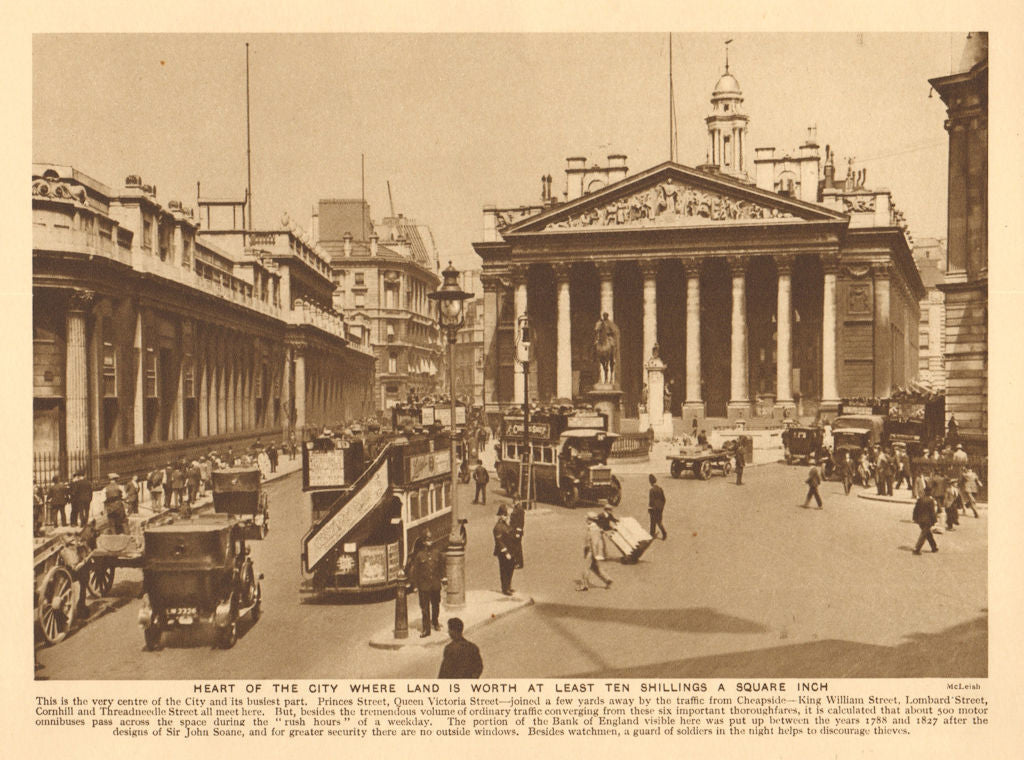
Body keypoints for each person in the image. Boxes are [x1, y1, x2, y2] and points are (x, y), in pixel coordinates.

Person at [405, 530, 444, 637]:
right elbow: (415, 572)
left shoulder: (437, 553)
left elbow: (441, 567)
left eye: (430, 540)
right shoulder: (419, 556)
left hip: (435, 584)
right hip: (424, 586)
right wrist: (415, 586)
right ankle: (426, 629)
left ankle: (435, 622)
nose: (429, 542)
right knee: (424, 608)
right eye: (427, 540)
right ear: (423, 542)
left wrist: (444, 578)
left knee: (435, 605)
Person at [578, 512, 613, 591]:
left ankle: (584, 585)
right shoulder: (591, 527)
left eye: (587, 518)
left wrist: (594, 555)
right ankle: (607, 580)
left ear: (590, 520)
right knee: (595, 568)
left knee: (585, 568)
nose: (586, 520)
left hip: (591, 552)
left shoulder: (593, 529)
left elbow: (594, 543)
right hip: (590, 551)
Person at [492, 504, 516, 595]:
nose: (507, 517)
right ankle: (505, 588)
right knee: (504, 570)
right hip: (503, 553)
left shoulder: (507, 524)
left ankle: (509, 586)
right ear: (501, 516)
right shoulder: (498, 527)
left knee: (510, 569)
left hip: (510, 551)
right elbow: (499, 541)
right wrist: (506, 552)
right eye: (505, 515)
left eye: (507, 515)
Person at [912, 488, 939, 554]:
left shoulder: (920, 499)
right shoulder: (931, 500)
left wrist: (915, 518)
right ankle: (917, 549)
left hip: (920, 520)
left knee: (928, 533)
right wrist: (934, 521)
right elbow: (932, 512)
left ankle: (934, 547)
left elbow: (915, 510)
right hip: (928, 520)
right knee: (924, 535)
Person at [647, 474, 667, 540]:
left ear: (650, 482)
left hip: (654, 509)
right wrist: (661, 507)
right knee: (659, 522)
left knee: (653, 522)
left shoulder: (651, 490)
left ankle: (652, 534)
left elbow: (651, 501)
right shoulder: (660, 488)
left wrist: (650, 508)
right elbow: (664, 499)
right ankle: (664, 533)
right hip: (660, 508)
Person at [509, 500, 526, 569]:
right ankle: (516, 561)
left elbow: (521, 522)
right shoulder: (516, 507)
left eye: (515, 500)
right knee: (514, 547)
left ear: (518, 500)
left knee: (518, 548)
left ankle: (519, 563)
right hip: (513, 530)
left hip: (517, 531)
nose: (514, 502)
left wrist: (518, 533)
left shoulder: (520, 509)